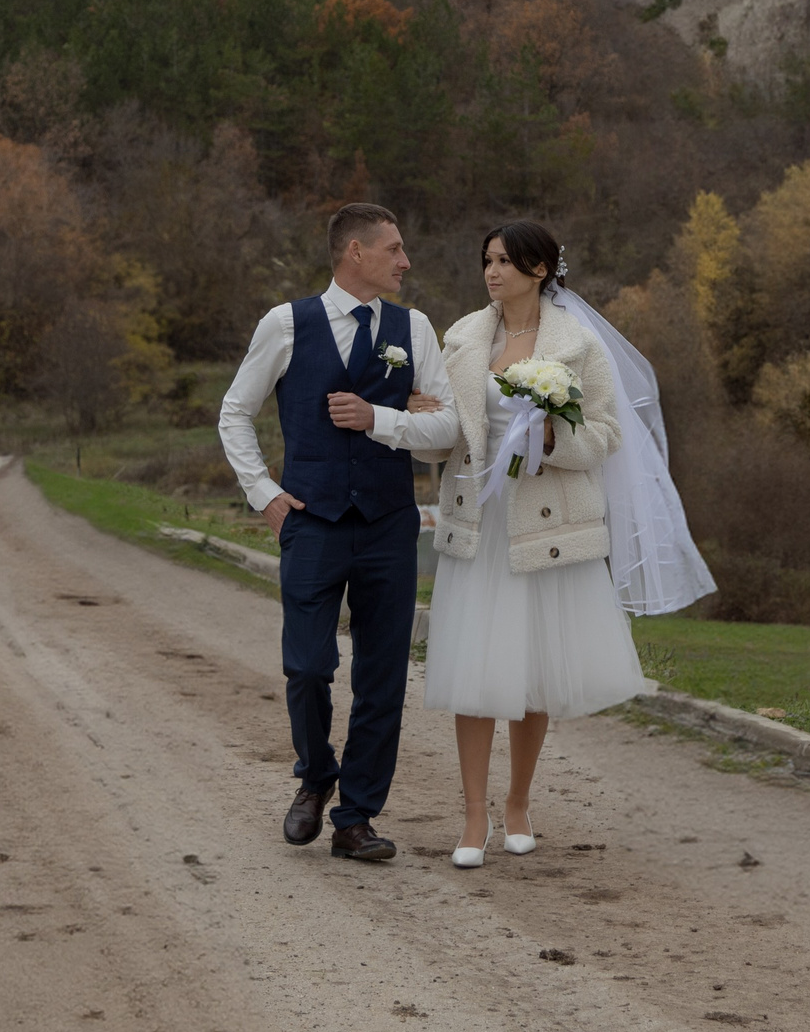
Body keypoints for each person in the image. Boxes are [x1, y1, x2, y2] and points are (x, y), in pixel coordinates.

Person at [419, 220, 708, 870]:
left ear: (541, 269)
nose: (493, 272)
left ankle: (518, 801)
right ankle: (472, 816)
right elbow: (447, 435)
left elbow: (607, 433)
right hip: (478, 524)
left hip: (544, 525)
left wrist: (551, 439)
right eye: (487, 259)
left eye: (506, 261)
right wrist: (418, 416)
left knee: (533, 674)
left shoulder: (578, 344)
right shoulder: (462, 337)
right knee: (473, 674)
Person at [216, 202, 458, 862]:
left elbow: (448, 428)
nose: (406, 261)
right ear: (355, 251)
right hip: (312, 521)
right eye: (394, 249)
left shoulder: (416, 328)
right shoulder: (285, 324)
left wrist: (380, 417)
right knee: (307, 666)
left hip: (388, 526)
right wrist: (264, 494)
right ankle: (316, 773)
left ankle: (356, 818)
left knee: (382, 678)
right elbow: (234, 412)